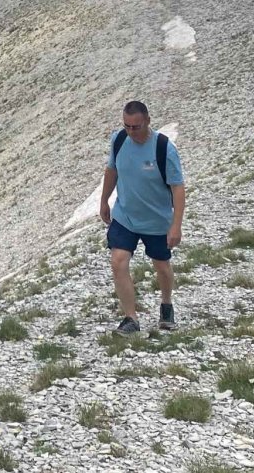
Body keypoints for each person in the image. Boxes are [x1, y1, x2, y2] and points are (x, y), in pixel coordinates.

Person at [99, 100, 186, 334]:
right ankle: (131, 318)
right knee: (118, 261)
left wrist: (176, 225)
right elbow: (112, 170)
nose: (130, 131)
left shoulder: (164, 148)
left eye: (135, 127)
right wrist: (104, 200)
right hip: (125, 215)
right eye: (126, 126)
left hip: (156, 220)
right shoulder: (118, 140)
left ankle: (166, 305)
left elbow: (177, 188)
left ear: (147, 120)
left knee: (161, 265)